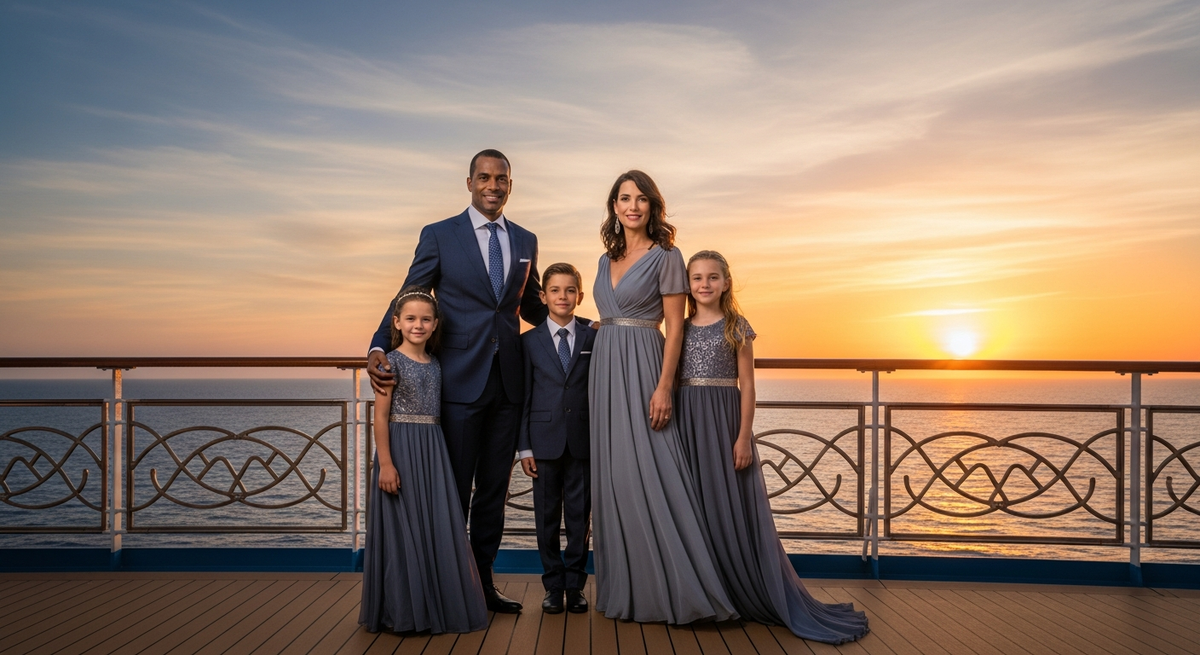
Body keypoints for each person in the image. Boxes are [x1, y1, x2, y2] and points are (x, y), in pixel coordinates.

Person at [367, 149, 545, 613]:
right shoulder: (440, 234)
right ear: (469, 182)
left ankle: (482, 584)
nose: (493, 185)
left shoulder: (527, 240)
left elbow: (534, 309)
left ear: (511, 184)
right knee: (453, 490)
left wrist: (584, 327)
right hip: (457, 385)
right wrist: (377, 346)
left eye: (501, 178)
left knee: (493, 493)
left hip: (508, 385)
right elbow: (410, 290)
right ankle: (449, 584)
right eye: (484, 177)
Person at [677, 251, 870, 644]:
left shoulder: (737, 326)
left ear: (726, 283)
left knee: (730, 502)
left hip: (725, 421)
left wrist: (744, 435)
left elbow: (747, 385)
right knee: (695, 505)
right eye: (697, 278)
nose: (704, 285)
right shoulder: (679, 328)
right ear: (688, 284)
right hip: (687, 423)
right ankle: (707, 590)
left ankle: (742, 587)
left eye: (713, 277)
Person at [589, 170, 736, 623]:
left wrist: (663, 386)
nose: (632, 206)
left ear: (653, 207)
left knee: (653, 471)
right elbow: (608, 315)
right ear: (614, 206)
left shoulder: (667, 256)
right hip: (605, 368)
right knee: (614, 478)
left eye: (642, 200)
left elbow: (675, 329)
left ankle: (681, 588)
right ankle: (628, 587)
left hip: (645, 367)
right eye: (624, 198)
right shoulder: (602, 260)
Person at [360, 287, 488, 634]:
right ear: (397, 323)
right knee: (403, 527)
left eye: (426, 319)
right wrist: (385, 464)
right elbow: (381, 418)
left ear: (435, 325)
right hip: (400, 448)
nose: (419, 324)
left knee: (432, 523)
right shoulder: (389, 362)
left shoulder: (435, 364)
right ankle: (403, 611)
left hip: (432, 448)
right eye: (411, 319)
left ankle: (433, 604)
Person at [516, 263, 597, 615]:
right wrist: (524, 447)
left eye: (569, 290)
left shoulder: (595, 335)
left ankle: (576, 585)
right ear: (543, 295)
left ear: (579, 295)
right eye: (555, 290)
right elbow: (523, 397)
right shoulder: (528, 342)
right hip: (543, 441)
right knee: (546, 518)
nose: (562, 297)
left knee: (580, 518)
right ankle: (552, 585)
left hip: (584, 440)